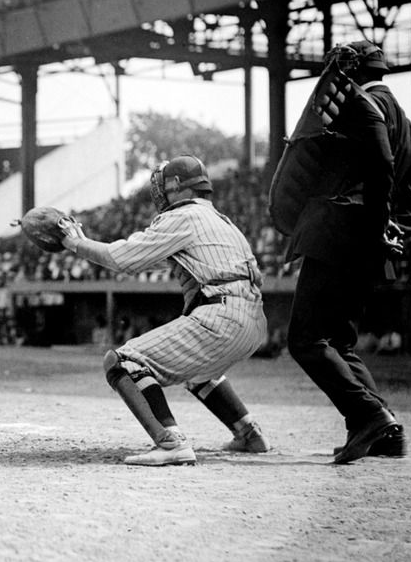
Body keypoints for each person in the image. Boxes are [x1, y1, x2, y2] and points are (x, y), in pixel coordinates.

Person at [276, 41, 411, 464]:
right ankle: (385, 432)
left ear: (353, 71)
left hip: (336, 233)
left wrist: (377, 222)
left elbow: (381, 163)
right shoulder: (406, 123)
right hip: (364, 246)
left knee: (305, 339)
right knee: (339, 341)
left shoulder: (358, 103)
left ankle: (368, 414)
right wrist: (394, 227)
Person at [59, 155, 270, 466]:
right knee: (199, 372)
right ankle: (249, 433)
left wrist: (77, 243)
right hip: (254, 322)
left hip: (222, 315)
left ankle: (170, 442)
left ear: (175, 186)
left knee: (122, 362)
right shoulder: (223, 222)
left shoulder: (182, 216)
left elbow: (123, 259)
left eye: (163, 185)